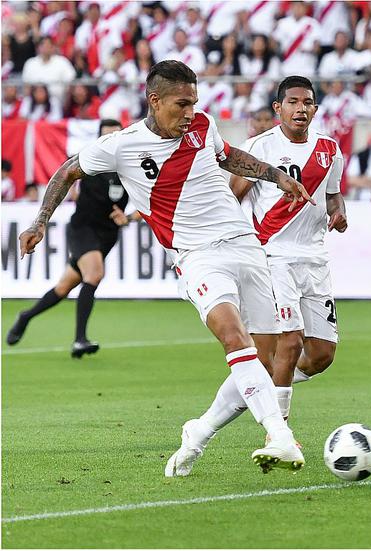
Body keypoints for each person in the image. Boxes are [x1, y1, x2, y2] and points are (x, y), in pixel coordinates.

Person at [17, 60, 313, 476]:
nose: (190, 112)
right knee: (234, 338)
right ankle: (279, 435)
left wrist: (275, 176)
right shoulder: (122, 145)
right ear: (154, 101)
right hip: (197, 257)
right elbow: (67, 171)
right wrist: (40, 221)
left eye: (194, 103)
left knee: (261, 360)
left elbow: (229, 156)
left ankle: (199, 432)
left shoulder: (202, 125)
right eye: (181, 104)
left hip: (246, 247)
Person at [230, 75, 348, 428]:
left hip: (314, 259)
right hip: (273, 256)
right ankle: (277, 429)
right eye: (293, 102)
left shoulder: (329, 150)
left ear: (315, 108)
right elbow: (232, 197)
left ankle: (264, 386)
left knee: (322, 355)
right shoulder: (258, 148)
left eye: (307, 102)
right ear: (278, 108)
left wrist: (339, 213)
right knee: (291, 340)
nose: (301, 108)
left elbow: (332, 196)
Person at [7, 119, 134, 356]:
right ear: (98, 139)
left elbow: (151, 202)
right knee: (95, 274)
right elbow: (65, 179)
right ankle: (80, 340)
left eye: (115, 137)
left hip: (107, 234)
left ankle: (26, 316)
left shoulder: (129, 168)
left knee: (64, 287)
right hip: (83, 229)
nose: (110, 142)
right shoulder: (88, 161)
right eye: (106, 137)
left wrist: (129, 218)